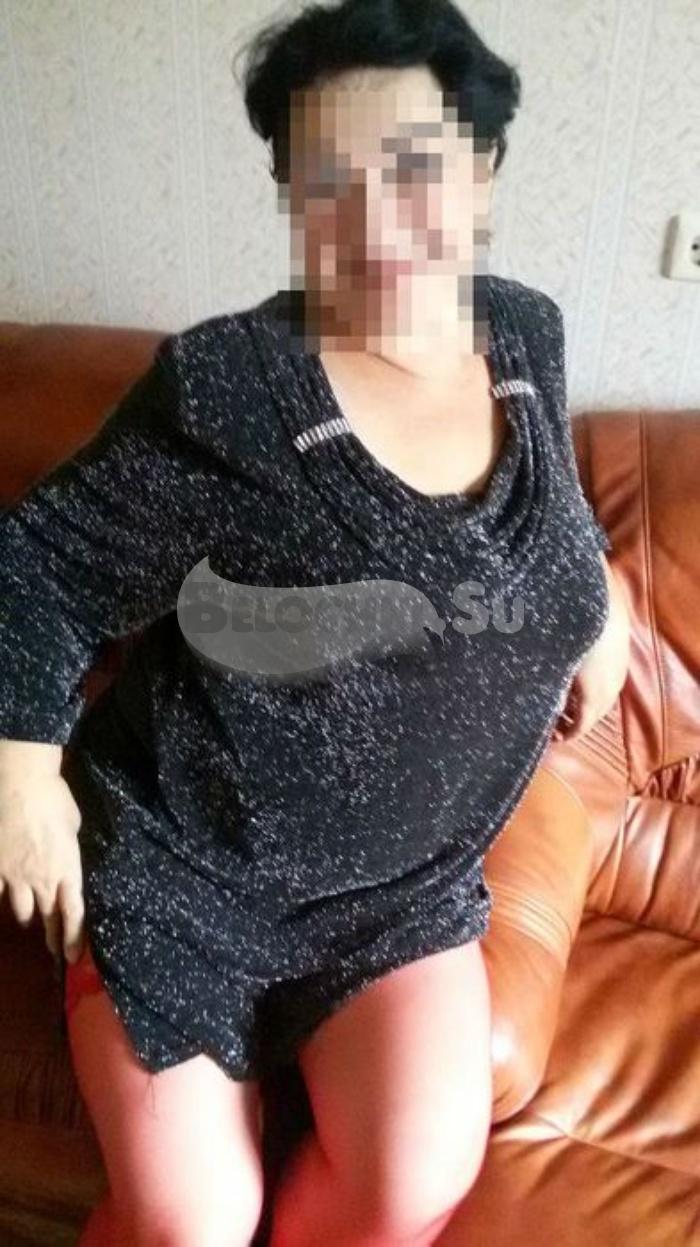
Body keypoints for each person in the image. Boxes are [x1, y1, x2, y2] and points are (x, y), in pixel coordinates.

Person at [0, 1, 631, 1244]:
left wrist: (590, 592)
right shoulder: (228, 388)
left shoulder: (524, 332)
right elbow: (37, 565)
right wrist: (19, 766)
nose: (376, 221)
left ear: (482, 168)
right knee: (193, 1220)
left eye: (413, 167)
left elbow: (540, 510)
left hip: (401, 893)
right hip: (187, 873)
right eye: (328, 181)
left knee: (405, 1188)